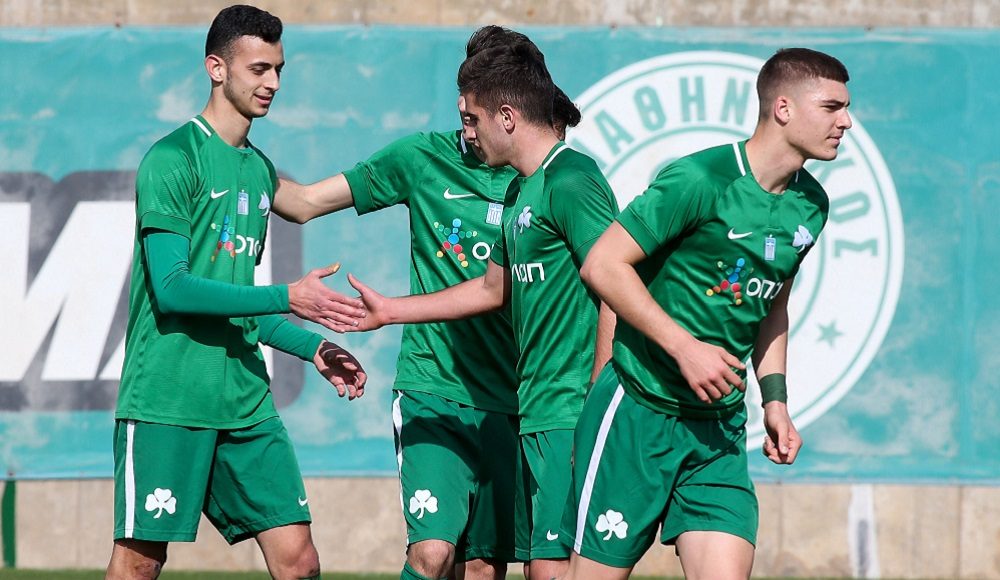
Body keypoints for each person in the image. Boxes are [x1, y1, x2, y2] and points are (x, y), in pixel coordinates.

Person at [273, 25, 586, 580]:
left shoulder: (539, 179)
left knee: (484, 567)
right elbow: (302, 203)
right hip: (434, 387)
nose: (467, 124)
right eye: (462, 110)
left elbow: (521, 286)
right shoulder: (421, 159)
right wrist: (227, 158)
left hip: (514, 400)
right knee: (433, 553)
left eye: (474, 112)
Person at [560, 47, 852, 579]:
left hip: (718, 430)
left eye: (846, 108)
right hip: (637, 409)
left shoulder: (812, 205)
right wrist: (684, 348)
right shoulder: (700, 178)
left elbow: (772, 306)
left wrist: (776, 402)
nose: (846, 122)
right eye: (832, 107)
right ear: (783, 108)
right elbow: (603, 265)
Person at [106, 6, 367, 579]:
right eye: (258, 69)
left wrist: (314, 348)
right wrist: (287, 297)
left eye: (278, 69)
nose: (273, 83)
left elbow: (238, 298)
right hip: (170, 400)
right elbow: (173, 289)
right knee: (139, 564)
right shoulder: (173, 159)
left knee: (299, 560)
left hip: (245, 400)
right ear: (216, 68)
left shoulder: (258, 170)